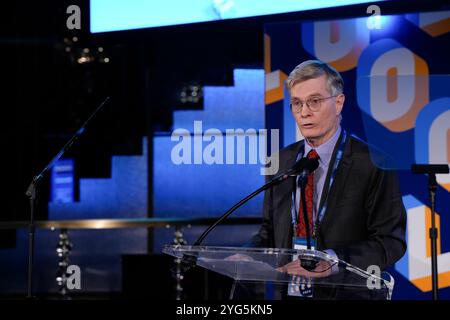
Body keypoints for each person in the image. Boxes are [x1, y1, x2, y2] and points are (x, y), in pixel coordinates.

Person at [248, 60, 407, 299]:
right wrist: (248, 255)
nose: (304, 112)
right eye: (297, 103)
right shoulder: (280, 162)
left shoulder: (373, 163)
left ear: (339, 103)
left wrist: (334, 260)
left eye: (314, 101)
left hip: (347, 294)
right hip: (290, 293)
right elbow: (268, 232)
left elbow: (391, 241)